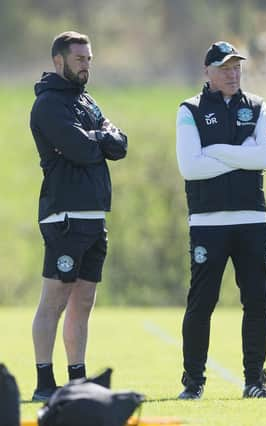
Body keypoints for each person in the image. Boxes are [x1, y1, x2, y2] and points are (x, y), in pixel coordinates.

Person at [175, 41, 266, 400]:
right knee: (202, 303)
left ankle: (255, 381)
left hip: (252, 218)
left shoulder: (258, 106)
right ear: (208, 72)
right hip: (207, 222)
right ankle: (194, 382)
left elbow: (264, 156)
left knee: (257, 302)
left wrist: (214, 152)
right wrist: (241, 155)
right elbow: (190, 167)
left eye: (236, 67)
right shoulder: (190, 109)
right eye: (224, 68)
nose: (233, 73)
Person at [29, 31, 128, 402]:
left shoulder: (86, 101)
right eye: (80, 59)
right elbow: (83, 149)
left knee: (83, 301)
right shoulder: (49, 105)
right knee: (54, 299)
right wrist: (101, 137)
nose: (86, 65)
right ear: (59, 61)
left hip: (94, 217)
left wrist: (102, 137)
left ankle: (77, 380)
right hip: (65, 217)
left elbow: (119, 145)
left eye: (89, 58)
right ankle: (43, 381)